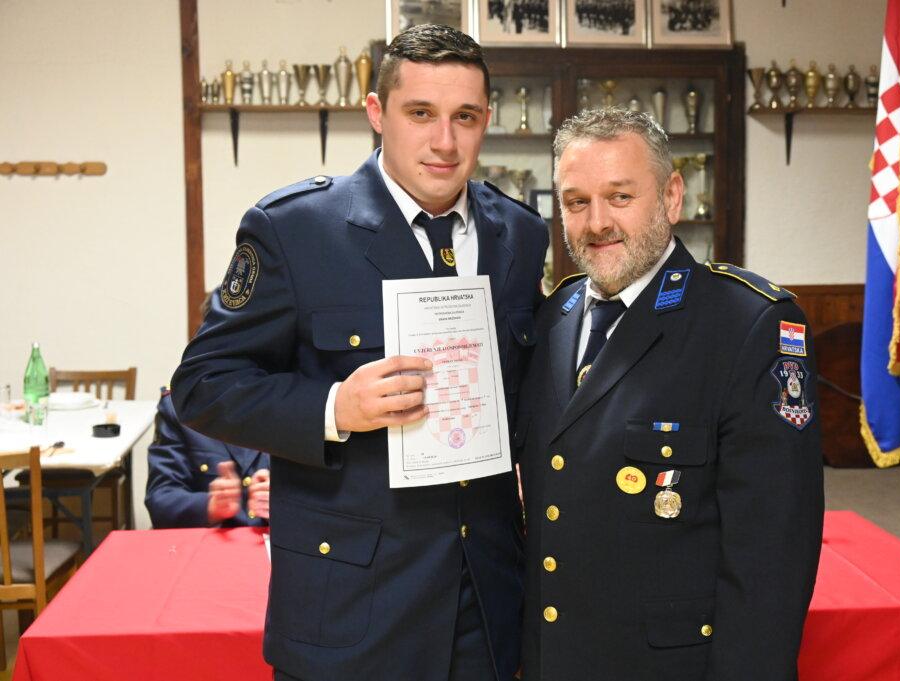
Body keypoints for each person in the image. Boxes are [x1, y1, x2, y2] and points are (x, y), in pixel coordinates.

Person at [171, 24, 548, 681]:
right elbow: (203, 384)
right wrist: (334, 407)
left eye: (464, 117)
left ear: (486, 119)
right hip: (351, 607)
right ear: (376, 112)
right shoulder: (295, 229)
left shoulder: (519, 233)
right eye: (421, 113)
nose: (445, 141)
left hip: (485, 605)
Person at [514, 108, 823, 680]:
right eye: (577, 202)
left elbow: (772, 558)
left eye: (620, 196)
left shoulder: (746, 324)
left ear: (672, 197)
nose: (597, 222)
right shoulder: (553, 317)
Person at [145, 388, 270, 528]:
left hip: (276, 536)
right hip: (209, 536)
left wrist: (282, 502)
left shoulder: (285, 403)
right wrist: (210, 506)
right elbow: (160, 500)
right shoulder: (180, 407)